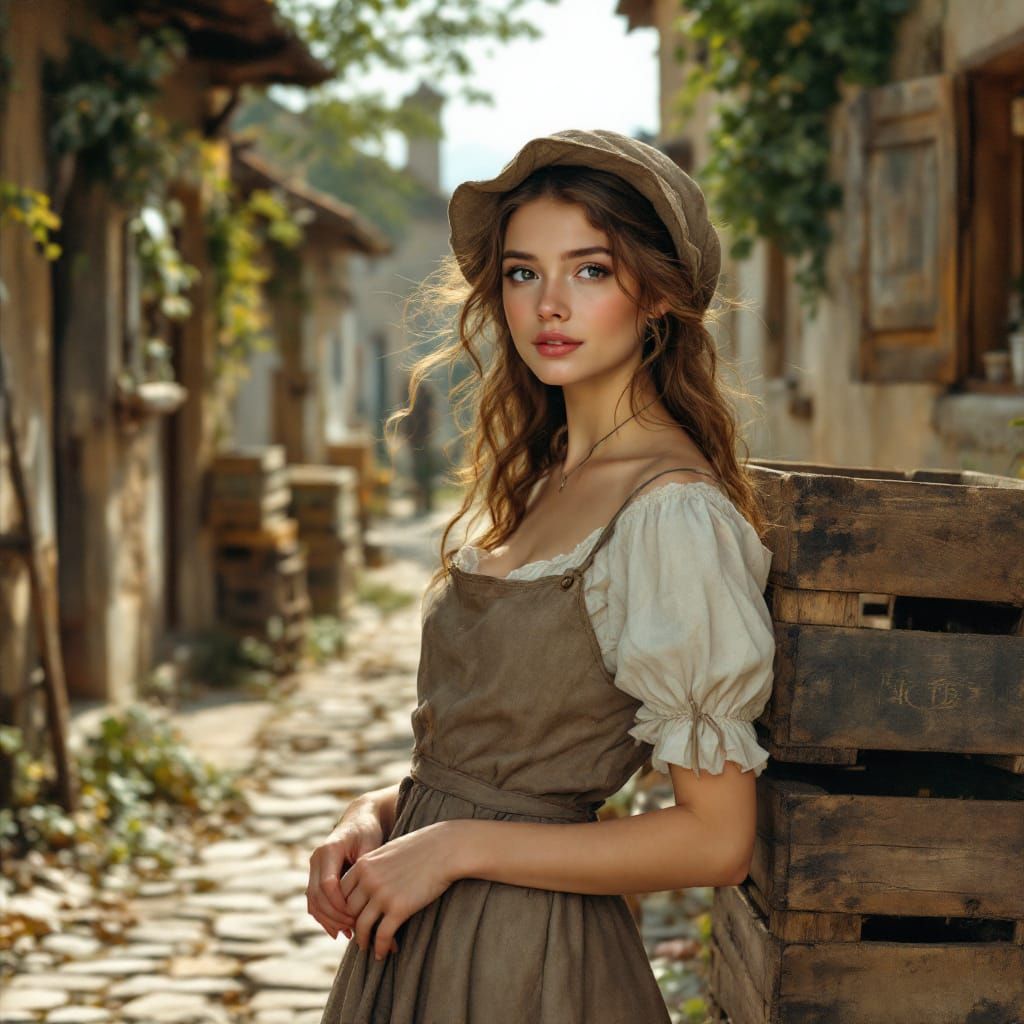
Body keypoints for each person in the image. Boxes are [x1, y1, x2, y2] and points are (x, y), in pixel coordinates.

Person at [308, 129, 777, 1023]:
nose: (549, 305)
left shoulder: (670, 512)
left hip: (530, 966)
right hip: (411, 948)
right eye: (523, 273)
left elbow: (716, 841)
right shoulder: (544, 474)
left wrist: (449, 849)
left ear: (658, 297)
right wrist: (378, 819)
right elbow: (500, 757)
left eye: (591, 271)